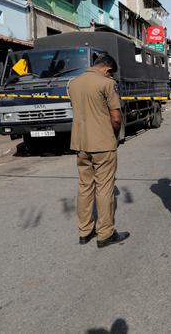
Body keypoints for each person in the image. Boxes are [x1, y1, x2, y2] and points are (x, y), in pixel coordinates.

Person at [68, 54, 129, 248]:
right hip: (102, 143)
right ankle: (105, 234)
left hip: (80, 143)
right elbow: (116, 117)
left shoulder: (73, 83)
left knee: (85, 186)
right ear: (107, 70)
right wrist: (115, 135)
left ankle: (85, 231)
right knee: (104, 187)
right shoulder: (107, 84)